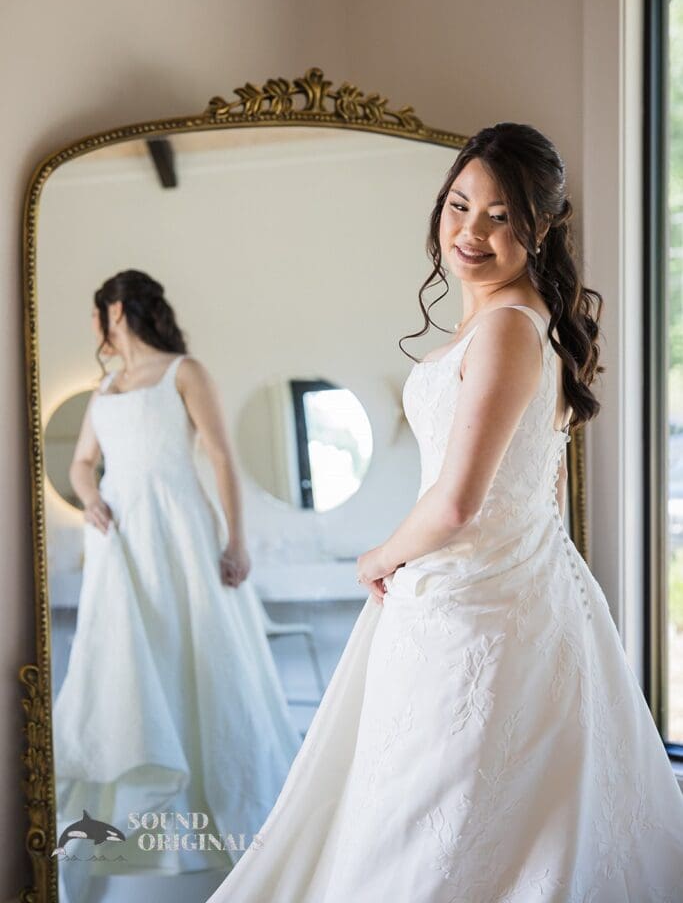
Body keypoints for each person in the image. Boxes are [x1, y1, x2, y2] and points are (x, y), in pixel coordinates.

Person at [204, 124, 683, 902]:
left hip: (473, 614)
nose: (470, 231)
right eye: (459, 205)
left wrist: (378, 556)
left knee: (434, 821)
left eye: (500, 216)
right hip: (497, 595)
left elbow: (457, 502)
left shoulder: (504, 330)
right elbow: (534, 489)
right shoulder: (519, 321)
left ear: (541, 228)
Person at [52, 269, 302, 881]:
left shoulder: (184, 371)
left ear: (117, 310)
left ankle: (223, 809)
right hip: (121, 541)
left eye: (96, 312)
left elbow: (220, 456)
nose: (93, 325)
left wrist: (237, 540)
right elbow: (82, 464)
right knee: (133, 659)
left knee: (195, 651)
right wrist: (89, 498)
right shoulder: (104, 387)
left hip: (182, 530)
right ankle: (139, 819)